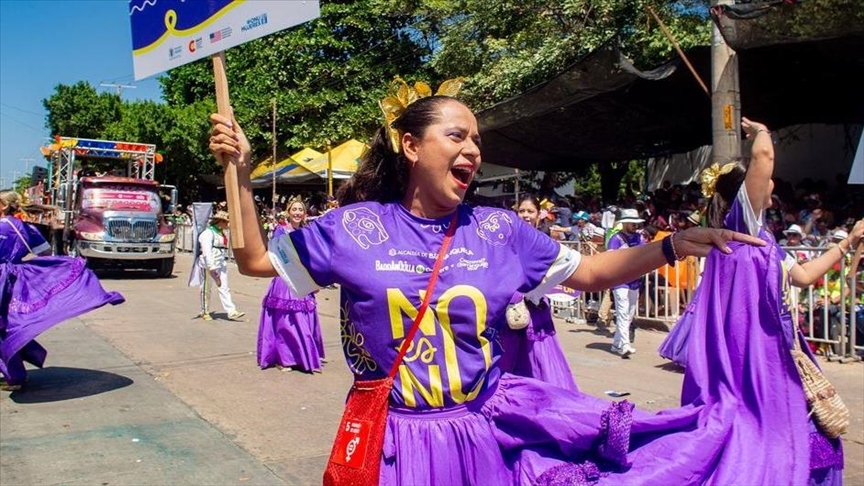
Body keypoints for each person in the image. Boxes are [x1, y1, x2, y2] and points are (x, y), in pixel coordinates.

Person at [209, 80, 765, 485]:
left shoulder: (500, 231)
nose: (474, 150)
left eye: (477, 140)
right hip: (393, 441)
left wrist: (671, 245)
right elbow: (254, 259)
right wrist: (240, 169)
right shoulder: (353, 228)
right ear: (411, 146)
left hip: (479, 435)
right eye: (457, 135)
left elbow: (590, 272)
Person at [660, 117, 861, 484]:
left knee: (811, 439)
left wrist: (847, 243)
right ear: (746, 192)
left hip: (782, 350)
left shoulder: (763, 239)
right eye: (765, 178)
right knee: (772, 441)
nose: (772, 181)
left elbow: (803, 276)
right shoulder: (742, 226)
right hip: (756, 356)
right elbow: (764, 156)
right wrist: (761, 132)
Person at [0, 190, 124, 391]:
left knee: (5, 326)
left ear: (4, 206)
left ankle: (15, 375)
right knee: (9, 324)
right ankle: (15, 371)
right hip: (14, 281)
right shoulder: (27, 228)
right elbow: (46, 253)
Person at [499, 194, 578, 391]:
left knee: (539, 362)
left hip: (535, 309)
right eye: (522, 211)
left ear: (538, 214)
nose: (526, 215)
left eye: (530, 211)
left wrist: (535, 292)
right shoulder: (507, 241)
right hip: (510, 309)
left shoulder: (545, 242)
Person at [257, 198, 325, 372]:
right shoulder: (281, 230)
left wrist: (315, 278)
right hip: (285, 279)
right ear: (288, 212)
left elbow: (312, 257)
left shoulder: (307, 232)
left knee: (304, 317)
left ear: (304, 213)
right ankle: (284, 358)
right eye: (294, 209)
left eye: (300, 210)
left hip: (303, 278)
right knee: (285, 320)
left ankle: (302, 357)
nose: (297, 213)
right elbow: (275, 253)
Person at [606, 208, 645, 357]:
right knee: (622, 312)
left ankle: (617, 343)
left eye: (636, 223)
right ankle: (625, 345)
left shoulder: (640, 238)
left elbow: (644, 254)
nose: (635, 226)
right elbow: (610, 259)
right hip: (620, 280)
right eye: (632, 223)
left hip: (635, 279)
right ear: (624, 223)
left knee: (629, 313)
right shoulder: (615, 239)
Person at [196, 210, 245, 321]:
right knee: (206, 288)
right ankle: (204, 311)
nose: (227, 224)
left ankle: (231, 311)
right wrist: (211, 266)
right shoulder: (207, 234)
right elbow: (207, 251)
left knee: (224, 287)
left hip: (221, 263)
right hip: (209, 265)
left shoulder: (220, 233)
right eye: (226, 222)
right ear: (219, 222)